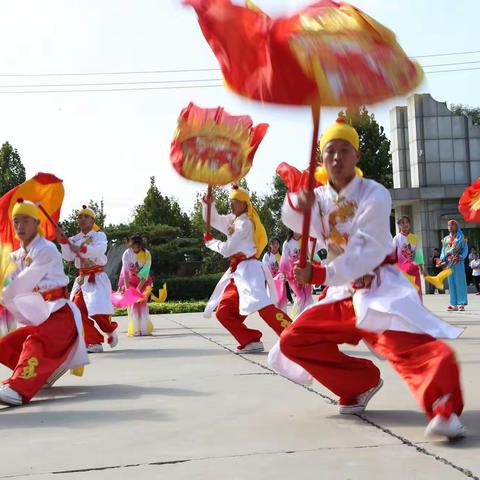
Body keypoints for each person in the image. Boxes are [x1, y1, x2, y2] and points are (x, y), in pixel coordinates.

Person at [276, 118, 465, 439]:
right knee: (294, 340)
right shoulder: (319, 197)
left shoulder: (374, 194)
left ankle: (443, 406)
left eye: (344, 150)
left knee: (413, 351)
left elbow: (364, 250)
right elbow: (293, 215)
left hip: (376, 289)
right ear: (322, 160)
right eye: (329, 151)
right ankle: (359, 383)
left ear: (356, 157)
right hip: (341, 295)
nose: (336, 157)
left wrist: (320, 272)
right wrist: (297, 201)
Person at [0, 199, 88, 406]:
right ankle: (43, 374)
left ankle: (18, 389)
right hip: (39, 314)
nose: (20, 226)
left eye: (25, 221)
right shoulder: (16, 255)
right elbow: (8, 276)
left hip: (58, 314)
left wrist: (4, 291)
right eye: (16, 221)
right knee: (5, 346)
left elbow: (22, 282)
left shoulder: (46, 249)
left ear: (37, 223)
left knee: (35, 342)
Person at [202, 185, 292, 353]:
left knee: (263, 307)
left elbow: (227, 249)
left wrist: (210, 242)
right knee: (223, 311)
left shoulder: (246, 224)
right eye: (230, 201)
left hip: (250, 271)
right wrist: (208, 204)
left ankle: (293, 335)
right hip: (237, 272)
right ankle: (250, 340)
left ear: (245, 204)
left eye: (235, 202)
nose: (231, 205)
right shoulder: (233, 220)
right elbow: (213, 219)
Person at [59, 205, 117, 353]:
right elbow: (68, 257)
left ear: (92, 220)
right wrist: (64, 243)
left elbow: (99, 250)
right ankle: (93, 342)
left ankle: (109, 330)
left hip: (96, 277)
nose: (82, 219)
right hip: (82, 278)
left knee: (98, 309)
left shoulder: (99, 236)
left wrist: (83, 249)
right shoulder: (74, 239)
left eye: (86, 216)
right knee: (76, 310)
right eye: (80, 217)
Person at [119, 235, 154, 336]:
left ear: (141, 246)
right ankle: (135, 329)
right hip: (130, 280)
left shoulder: (147, 254)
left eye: (138, 247)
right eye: (133, 247)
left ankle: (144, 329)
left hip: (143, 281)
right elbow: (125, 272)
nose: (135, 249)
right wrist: (127, 288)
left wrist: (138, 289)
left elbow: (145, 274)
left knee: (142, 303)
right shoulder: (127, 253)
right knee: (133, 304)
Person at [279, 230, 314, 318]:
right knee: (301, 297)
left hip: (305, 271)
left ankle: (308, 318)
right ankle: (296, 319)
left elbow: (312, 256)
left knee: (308, 296)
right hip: (293, 274)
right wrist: (283, 275)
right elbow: (284, 260)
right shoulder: (287, 243)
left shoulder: (307, 240)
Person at [440, 220, 468, 312]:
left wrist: (460, 256)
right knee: (451, 283)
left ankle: (461, 303)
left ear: (457, 226)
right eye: (449, 225)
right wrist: (442, 260)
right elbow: (443, 251)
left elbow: (465, 251)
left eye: (452, 225)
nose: (450, 227)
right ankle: (454, 304)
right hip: (449, 264)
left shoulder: (462, 238)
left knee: (460, 283)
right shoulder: (445, 239)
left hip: (458, 263)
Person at [393, 216, 423, 299]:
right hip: (402, 269)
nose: (405, 224)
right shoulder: (397, 238)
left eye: (407, 222)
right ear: (399, 225)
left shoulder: (414, 237)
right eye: (403, 223)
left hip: (414, 268)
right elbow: (393, 255)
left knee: (416, 290)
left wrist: (421, 268)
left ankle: (417, 308)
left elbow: (418, 252)